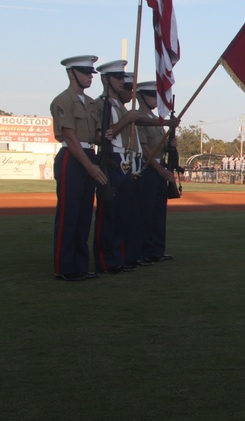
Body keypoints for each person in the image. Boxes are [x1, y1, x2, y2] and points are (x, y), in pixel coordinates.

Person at [51, 55, 108, 281]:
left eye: (91, 73)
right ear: (71, 73)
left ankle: (80, 266)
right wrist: (90, 167)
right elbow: (70, 137)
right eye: (85, 73)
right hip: (72, 157)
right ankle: (65, 268)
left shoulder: (92, 103)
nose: (89, 77)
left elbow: (94, 135)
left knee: (85, 215)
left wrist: (104, 136)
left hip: (88, 153)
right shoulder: (62, 101)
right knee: (68, 214)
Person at [90, 60, 144, 274]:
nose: (122, 82)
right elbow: (105, 135)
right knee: (108, 214)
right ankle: (105, 261)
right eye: (118, 78)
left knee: (122, 213)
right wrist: (126, 120)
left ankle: (117, 258)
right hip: (110, 158)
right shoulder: (101, 104)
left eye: (122, 78)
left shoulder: (120, 106)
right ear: (106, 79)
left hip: (124, 159)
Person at [135, 81, 178, 262]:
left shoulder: (156, 119)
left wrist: (170, 146)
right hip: (149, 168)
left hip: (160, 168)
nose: (155, 99)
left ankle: (157, 250)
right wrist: (160, 170)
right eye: (152, 96)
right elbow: (145, 149)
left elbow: (159, 146)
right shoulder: (139, 118)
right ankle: (145, 251)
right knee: (146, 213)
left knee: (159, 213)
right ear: (141, 97)